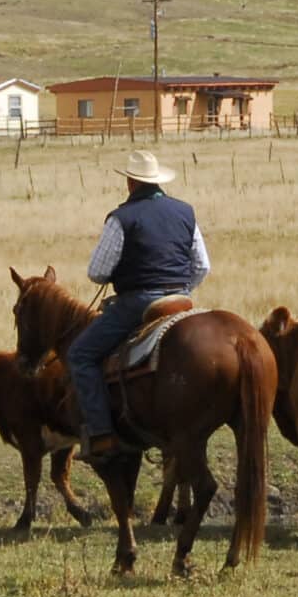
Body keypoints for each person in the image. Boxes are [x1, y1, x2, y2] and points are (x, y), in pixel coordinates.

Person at [68, 149, 208, 466]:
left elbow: (98, 272)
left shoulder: (122, 218)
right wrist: (180, 287)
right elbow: (202, 266)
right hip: (181, 300)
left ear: (131, 182)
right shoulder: (185, 212)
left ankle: (102, 434)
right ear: (157, 180)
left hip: (139, 302)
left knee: (81, 355)